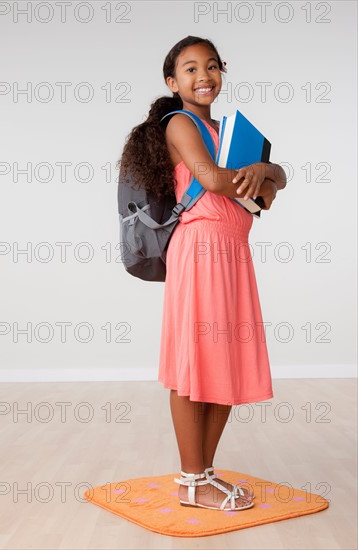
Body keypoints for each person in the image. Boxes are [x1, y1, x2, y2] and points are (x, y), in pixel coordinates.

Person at [118, 35, 287, 511]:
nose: (203, 76)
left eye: (212, 66)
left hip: (234, 251)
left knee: (226, 362)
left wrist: (270, 170)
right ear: (173, 82)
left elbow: (266, 197)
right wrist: (269, 170)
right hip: (201, 251)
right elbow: (214, 180)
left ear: (222, 72)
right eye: (190, 69)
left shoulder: (235, 134)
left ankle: (204, 476)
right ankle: (190, 479)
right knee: (196, 363)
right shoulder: (180, 123)